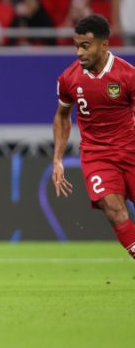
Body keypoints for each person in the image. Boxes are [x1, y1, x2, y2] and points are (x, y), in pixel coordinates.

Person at [52, 14, 135, 262]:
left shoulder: (128, 75)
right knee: (113, 209)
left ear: (104, 45)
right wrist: (57, 159)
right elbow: (62, 117)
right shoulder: (69, 79)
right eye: (76, 45)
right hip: (97, 155)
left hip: (130, 150)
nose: (78, 52)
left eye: (85, 46)